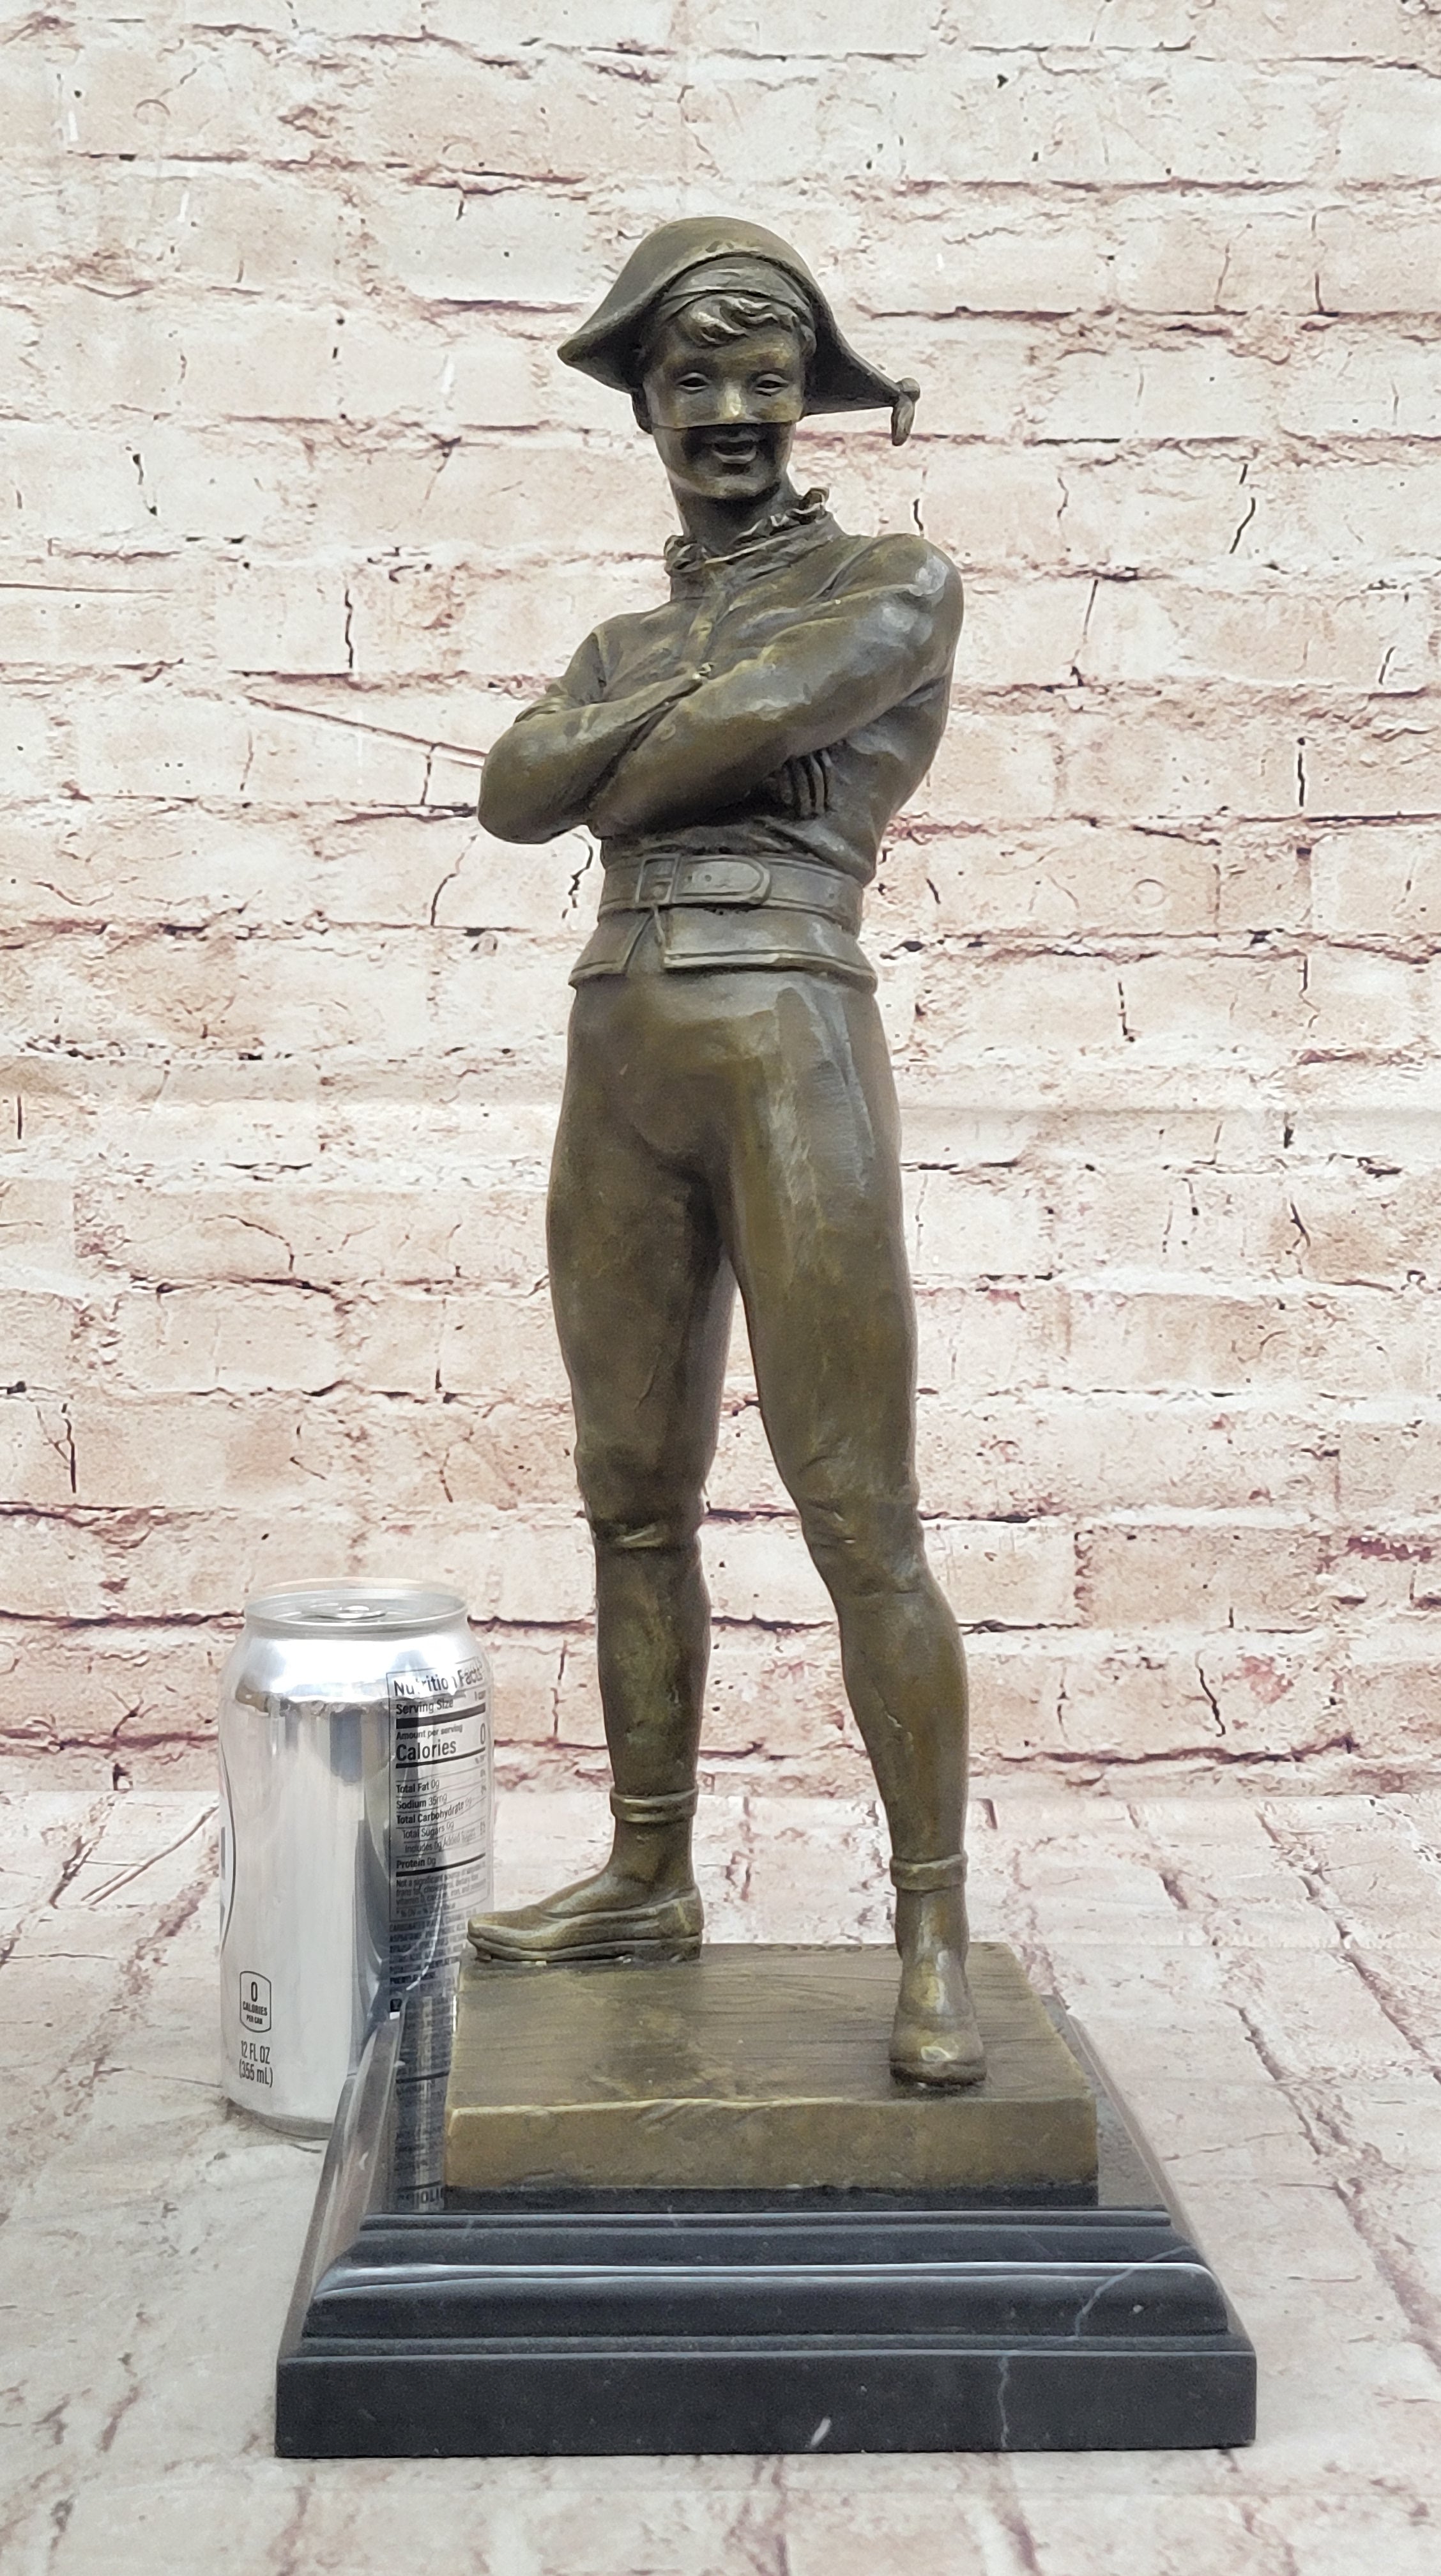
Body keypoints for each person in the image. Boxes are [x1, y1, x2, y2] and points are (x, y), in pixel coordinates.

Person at [467, 217, 983, 2085]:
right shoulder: (624, 636)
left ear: (809, 398)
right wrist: (617, 738)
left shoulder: (895, 580)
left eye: (769, 376)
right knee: (629, 1492)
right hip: (619, 1047)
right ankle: (647, 1872)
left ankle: (932, 1926)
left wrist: (605, 754)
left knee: (857, 1507)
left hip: (788, 1035)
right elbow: (512, 798)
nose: (735, 409)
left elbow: (728, 732)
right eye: (698, 377)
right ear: (650, 405)